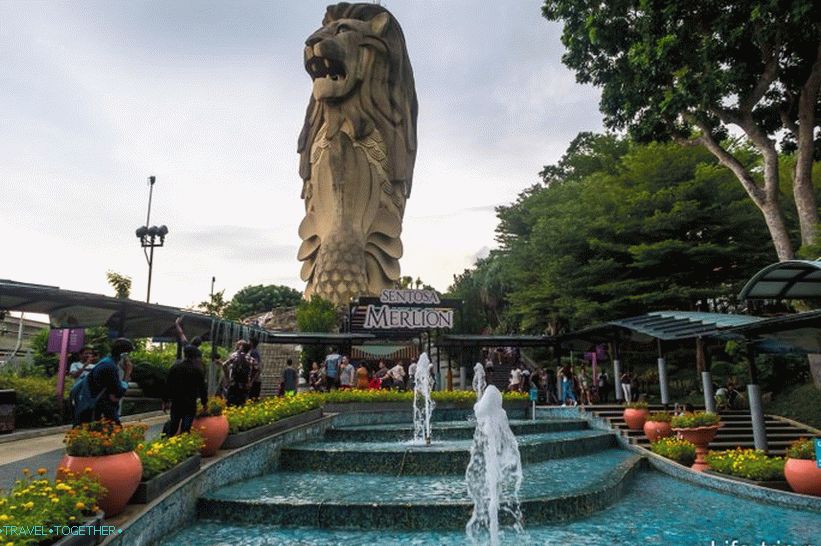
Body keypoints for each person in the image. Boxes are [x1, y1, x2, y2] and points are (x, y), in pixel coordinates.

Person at [86, 338, 133, 424]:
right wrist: (127, 372)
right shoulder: (109, 367)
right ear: (124, 355)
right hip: (103, 410)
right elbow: (118, 392)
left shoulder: (106, 362)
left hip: (100, 407)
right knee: (116, 433)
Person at [163, 345, 207, 436]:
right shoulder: (197, 370)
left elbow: (168, 385)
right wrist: (204, 403)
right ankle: (183, 444)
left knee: (173, 425)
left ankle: (168, 443)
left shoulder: (175, 367)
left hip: (176, 402)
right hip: (190, 403)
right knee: (186, 428)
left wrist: (165, 400)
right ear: (195, 357)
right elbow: (202, 388)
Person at [223, 340, 254, 407]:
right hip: (244, 384)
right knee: (241, 404)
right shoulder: (250, 359)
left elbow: (224, 365)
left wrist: (227, 378)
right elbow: (257, 369)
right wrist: (251, 381)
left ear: (241, 348)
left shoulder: (234, 356)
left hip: (233, 383)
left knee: (230, 403)